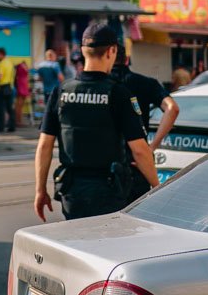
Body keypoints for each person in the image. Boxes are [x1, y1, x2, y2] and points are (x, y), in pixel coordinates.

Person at [34, 24, 157, 221]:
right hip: (108, 191)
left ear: (83, 51)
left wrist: (40, 190)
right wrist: (157, 188)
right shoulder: (119, 94)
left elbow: (44, 145)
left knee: (77, 245)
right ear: (112, 51)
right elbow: (140, 150)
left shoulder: (62, 91)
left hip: (72, 191)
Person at [111, 42, 181, 202]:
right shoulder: (145, 83)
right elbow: (172, 109)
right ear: (127, 59)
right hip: (137, 165)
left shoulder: (100, 86)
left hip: (104, 170)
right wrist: (152, 147)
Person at [0, 48, 16, 132]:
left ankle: (0, 127)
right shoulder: (9, 62)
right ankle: (12, 126)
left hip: (2, 87)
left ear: (1, 54)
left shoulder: (1, 63)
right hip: (10, 87)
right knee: (10, 108)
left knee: (0, 108)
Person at [13, 60, 30, 126]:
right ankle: (18, 121)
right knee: (19, 106)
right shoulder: (20, 67)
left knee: (20, 106)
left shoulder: (20, 67)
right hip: (21, 86)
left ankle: (19, 121)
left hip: (22, 86)